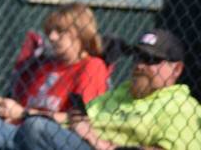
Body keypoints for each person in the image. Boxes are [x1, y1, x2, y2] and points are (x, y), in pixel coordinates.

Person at [11, 28, 201, 150]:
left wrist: (96, 141)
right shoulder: (119, 93)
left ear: (176, 69)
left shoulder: (181, 107)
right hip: (72, 139)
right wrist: (22, 113)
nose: (140, 65)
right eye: (137, 57)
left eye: (151, 59)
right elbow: (71, 120)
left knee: (36, 129)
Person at [0, 3, 110, 150]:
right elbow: (21, 109)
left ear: (80, 33)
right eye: (49, 32)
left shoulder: (91, 66)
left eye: (60, 31)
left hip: (59, 137)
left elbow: (82, 120)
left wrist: (24, 113)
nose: (52, 37)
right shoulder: (44, 66)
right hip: (21, 131)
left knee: (35, 126)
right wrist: (6, 110)